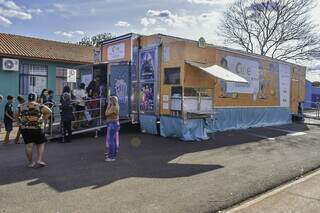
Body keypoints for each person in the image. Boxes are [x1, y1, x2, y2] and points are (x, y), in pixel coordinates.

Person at [19, 93, 51, 168]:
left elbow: (15, 114)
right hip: (37, 128)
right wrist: (43, 119)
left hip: (25, 128)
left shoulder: (22, 106)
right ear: (36, 98)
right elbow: (49, 111)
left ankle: (30, 163)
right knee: (40, 144)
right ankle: (39, 160)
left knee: (28, 146)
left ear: (28, 98)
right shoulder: (39, 106)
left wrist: (19, 122)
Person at [105, 96, 120, 162]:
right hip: (114, 124)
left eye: (110, 100)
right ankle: (112, 155)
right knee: (113, 140)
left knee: (111, 141)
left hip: (112, 124)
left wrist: (108, 106)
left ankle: (111, 157)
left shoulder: (113, 107)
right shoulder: (115, 106)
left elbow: (106, 113)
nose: (109, 102)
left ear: (112, 101)